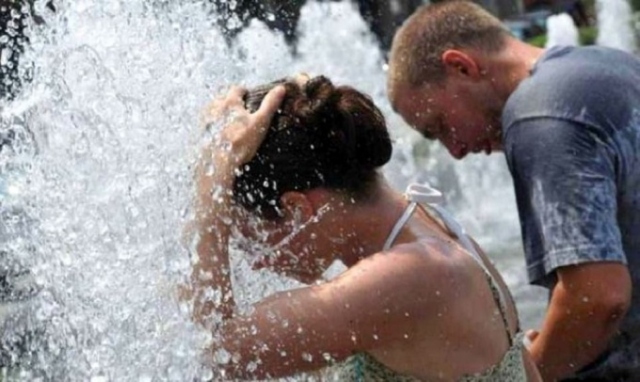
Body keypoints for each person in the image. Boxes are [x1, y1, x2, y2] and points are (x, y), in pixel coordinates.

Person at [187, 74, 541, 381]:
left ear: (295, 210)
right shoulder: (433, 230)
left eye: (251, 238)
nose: (255, 261)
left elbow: (217, 354)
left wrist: (211, 184)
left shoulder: (408, 274)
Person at [387, 1, 640, 380]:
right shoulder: (609, 64)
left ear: (461, 66)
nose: (455, 152)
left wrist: (522, 372)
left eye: (439, 125)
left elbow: (596, 297)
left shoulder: (539, 116)